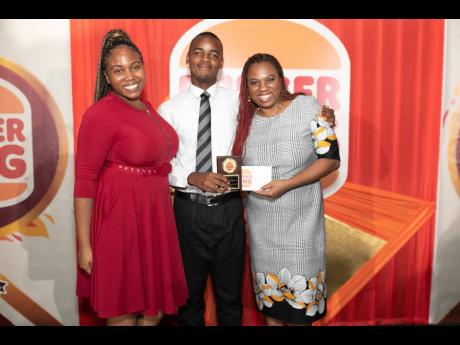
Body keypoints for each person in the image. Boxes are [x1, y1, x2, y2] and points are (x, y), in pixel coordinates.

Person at [74, 29, 188, 326]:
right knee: (124, 308)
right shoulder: (101, 114)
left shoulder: (147, 108)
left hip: (154, 216)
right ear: (107, 76)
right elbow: (85, 180)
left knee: (154, 310)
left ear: (143, 66)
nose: (129, 76)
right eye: (119, 70)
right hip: (121, 218)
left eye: (134, 67)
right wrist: (84, 244)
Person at [231, 53, 340, 326]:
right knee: (273, 313)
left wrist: (287, 184)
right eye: (254, 82)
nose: (263, 88)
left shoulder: (306, 107)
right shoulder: (244, 122)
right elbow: (240, 175)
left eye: (270, 79)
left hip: (302, 230)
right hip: (262, 232)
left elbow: (330, 159)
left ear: (282, 80)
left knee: (302, 314)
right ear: (247, 88)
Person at [157, 32, 246, 326]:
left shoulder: (239, 103)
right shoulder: (169, 109)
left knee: (231, 299)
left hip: (230, 209)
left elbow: (276, 109)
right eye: (199, 52)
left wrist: (315, 111)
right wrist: (191, 176)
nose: (205, 58)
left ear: (221, 61)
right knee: (190, 299)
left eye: (213, 53)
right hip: (188, 212)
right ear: (188, 59)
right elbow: (158, 164)